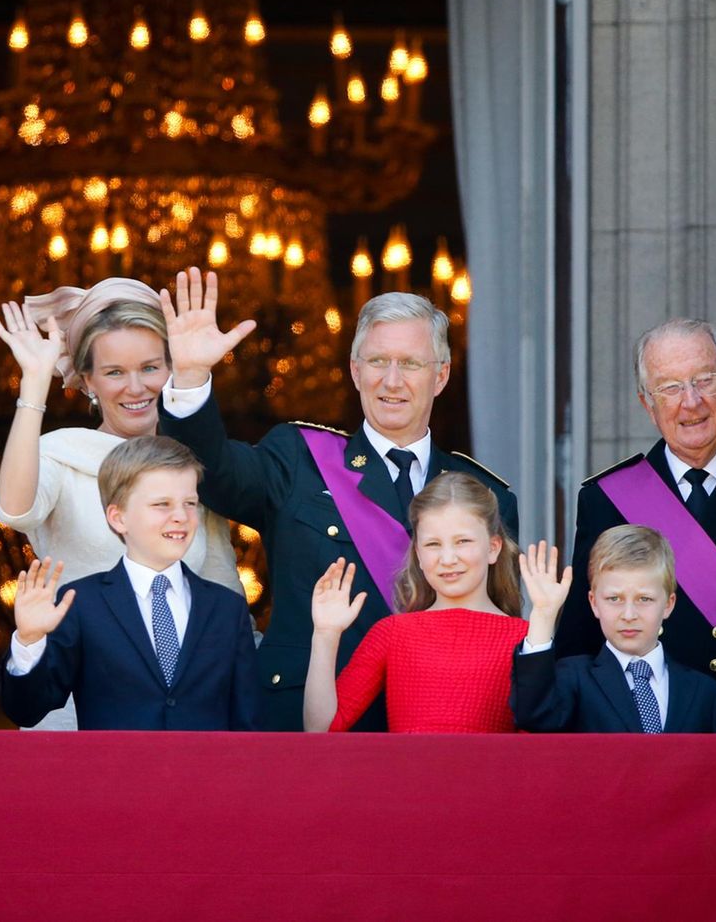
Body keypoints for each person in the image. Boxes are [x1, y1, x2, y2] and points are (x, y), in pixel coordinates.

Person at [159, 268, 517, 731]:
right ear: (354, 370)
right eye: (376, 362)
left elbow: (498, 627)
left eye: (410, 364)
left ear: (441, 376)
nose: (391, 381)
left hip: (443, 728)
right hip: (311, 724)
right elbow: (215, 476)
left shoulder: (486, 493)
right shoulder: (298, 457)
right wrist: (189, 378)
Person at [0, 277, 244, 729]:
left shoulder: (190, 468)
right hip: (71, 713)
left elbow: (222, 592)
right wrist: (32, 384)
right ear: (87, 379)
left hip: (183, 728)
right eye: (114, 372)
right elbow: (13, 511)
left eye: (150, 367)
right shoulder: (61, 453)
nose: (135, 388)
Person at [553, 318, 716, 730]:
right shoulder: (607, 499)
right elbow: (581, 642)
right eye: (670, 388)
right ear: (646, 404)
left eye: (705, 380)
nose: (690, 402)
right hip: (651, 742)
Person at [0, 436, 260, 730]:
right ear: (118, 518)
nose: (180, 517)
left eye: (190, 504)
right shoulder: (82, 603)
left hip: (206, 775)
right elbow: (26, 709)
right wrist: (30, 640)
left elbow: (248, 723)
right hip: (114, 774)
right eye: (162, 504)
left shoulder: (227, 608)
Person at [303, 474, 529, 733]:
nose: (447, 558)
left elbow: (538, 746)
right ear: (418, 555)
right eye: (433, 544)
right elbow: (320, 729)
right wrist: (325, 635)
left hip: (492, 774)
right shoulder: (392, 633)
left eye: (462, 541)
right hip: (405, 774)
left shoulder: (526, 639)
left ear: (493, 548)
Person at [511, 524, 716, 733]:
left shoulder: (704, 693)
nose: (628, 615)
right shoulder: (573, 678)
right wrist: (543, 613)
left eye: (644, 599)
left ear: (669, 604)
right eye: (614, 598)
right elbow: (534, 715)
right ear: (594, 603)